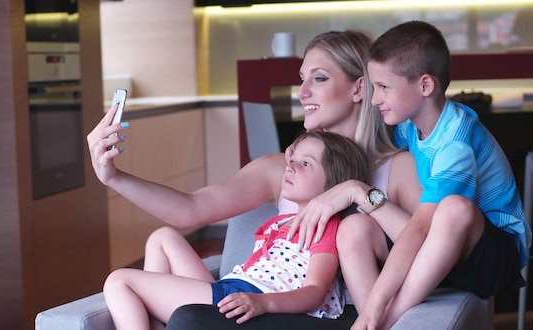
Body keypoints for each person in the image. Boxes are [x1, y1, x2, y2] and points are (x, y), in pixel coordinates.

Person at [88, 29, 421, 329]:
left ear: (359, 88)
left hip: (329, 314)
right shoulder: (280, 168)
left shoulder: (398, 167)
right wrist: (113, 178)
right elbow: (189, 208)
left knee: (186, 317)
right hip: (255, 299)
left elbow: (433, 247)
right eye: (301, 79)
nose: (302, 92)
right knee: (169, 269)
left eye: (318, 79)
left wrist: (356, 191)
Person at [348, 20, 532, 330]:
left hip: (494, 256)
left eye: (384, 87)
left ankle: (387, 318)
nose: (375, 98)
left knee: (453, 207)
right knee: (355, 226)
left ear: (425, 86)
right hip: (447, 248)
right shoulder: (410, 126)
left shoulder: (455, 144)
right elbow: (374, 152)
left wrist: (377, 307)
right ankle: (374, 316)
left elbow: (422, 227)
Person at [102, 131, 370, 329]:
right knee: (162, 237)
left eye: (306, 164)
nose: (289, 166)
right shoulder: (277, 224)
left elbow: (314, 292)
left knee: (119, 281)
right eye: (293, 159)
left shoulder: (325, 227)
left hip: (247, 297)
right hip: (230, 288)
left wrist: (264, 303)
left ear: (333, 184)